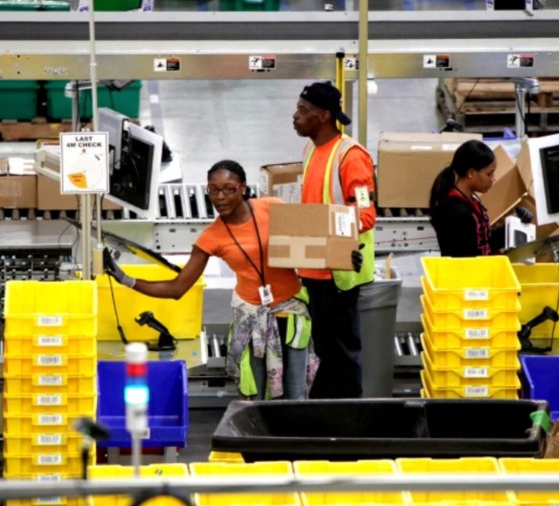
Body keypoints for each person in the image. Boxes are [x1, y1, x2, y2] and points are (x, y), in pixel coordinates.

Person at [104, 160, 318, 400]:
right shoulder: (212, 237)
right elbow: (177, 287)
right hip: (252, 319)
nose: (220, 197)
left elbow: (312, 242)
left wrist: (343, 255)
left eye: (229, 189)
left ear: (243, 188)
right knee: (258, 395)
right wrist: (126, 280)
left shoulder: (272, 208)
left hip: (290, 314)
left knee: (296, 392)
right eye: (213, 190)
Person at [292, 81, 375, 399]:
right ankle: (325, 416)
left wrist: (328, 234)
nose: (295, 116)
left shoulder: (350, 157)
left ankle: (349, 423)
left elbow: (365, 214)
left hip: (338, 274)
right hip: (313, 270)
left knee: (342, 355)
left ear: (324, 115)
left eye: (303, 111)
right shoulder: (311, 150)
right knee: (325, 352)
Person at [428, 139, 497, 257]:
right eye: (489, 174)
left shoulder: (470, 201)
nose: (493, 179)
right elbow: (468, 257)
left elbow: (483, 241)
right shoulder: (454, 213)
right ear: (471, 173)